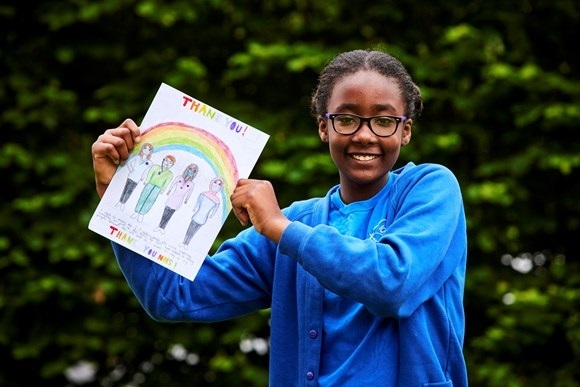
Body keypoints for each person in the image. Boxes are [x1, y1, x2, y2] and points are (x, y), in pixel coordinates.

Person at [91, 49, 468, 386]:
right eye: (347, 119)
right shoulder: (295, 221)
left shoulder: (430, 188)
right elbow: (172, 296)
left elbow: (393, 284)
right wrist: (119, 199)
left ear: (405, 131)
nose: (365, 135)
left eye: (383, 121)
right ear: (324, 127)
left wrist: (279, 228)